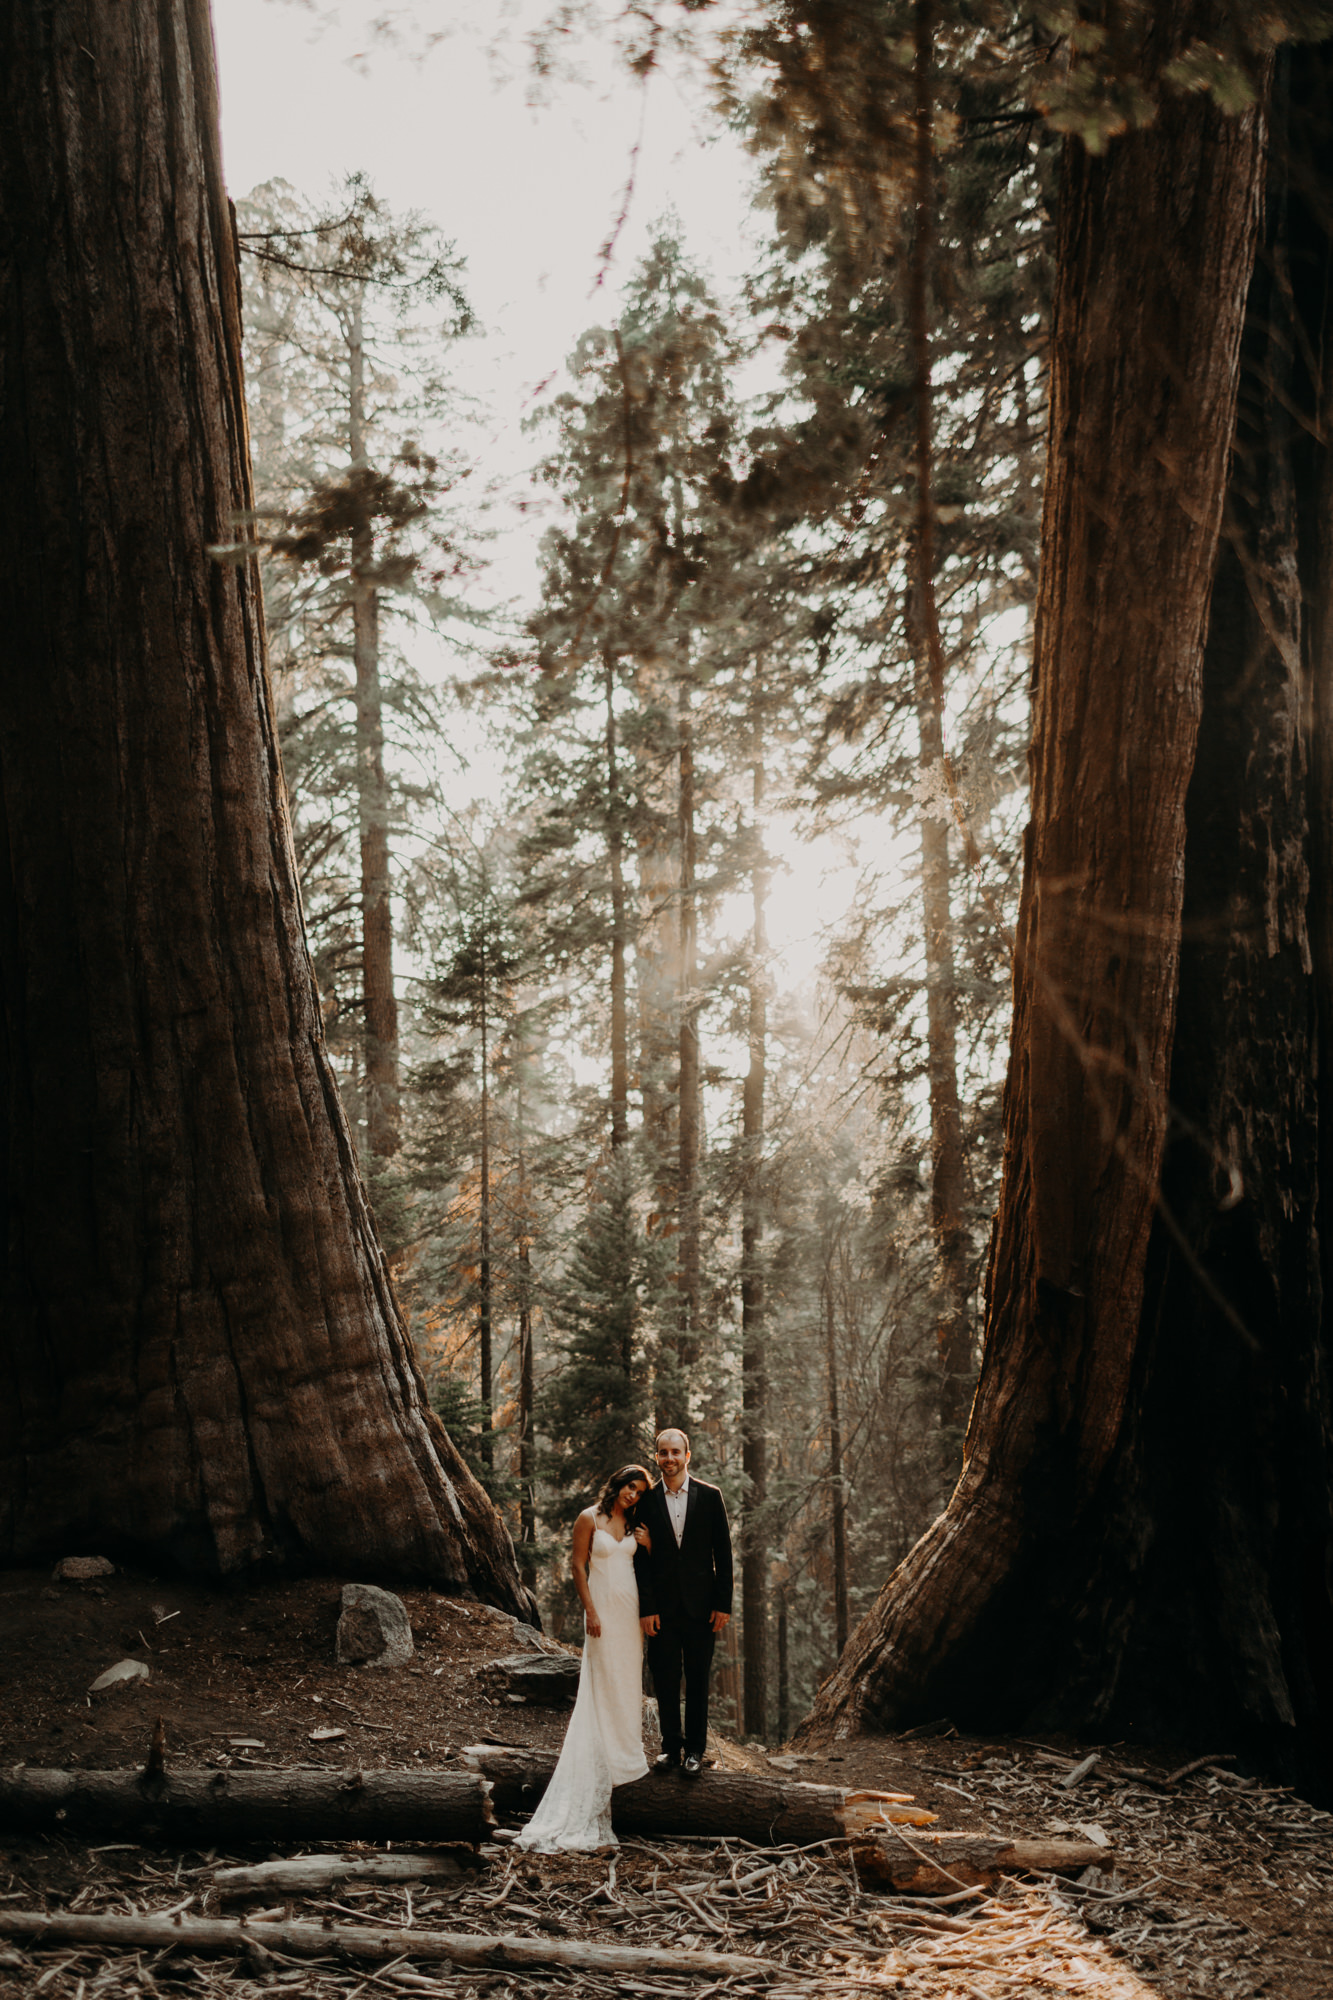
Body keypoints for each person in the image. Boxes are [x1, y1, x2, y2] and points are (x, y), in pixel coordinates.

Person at [515, 1463, 652, 1851]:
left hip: (630, 1610)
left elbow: (647, 1565)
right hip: (603, 1610)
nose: (633, 1494)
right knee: (602, 1677)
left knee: (626, 1677)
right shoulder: (588, 1517)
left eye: (640, 1491)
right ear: (618, 1483)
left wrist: (649, 1545)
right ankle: (600, 1751)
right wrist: (590, 1611)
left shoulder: (636, 1525)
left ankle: (626, 1753)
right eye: (630, 1486)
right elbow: (577, 1565)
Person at [633, 1428, 733, 1779]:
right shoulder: (645, 1501)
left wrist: (723, 1603)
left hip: (702, 1609)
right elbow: (641, 1560)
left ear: (687, 1456)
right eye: (663, 1453)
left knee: (697, 1679)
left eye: (676, 1452)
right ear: (656, 1457)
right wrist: (646, 1607)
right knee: (664, 1677)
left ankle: (695, 1751)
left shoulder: (709, 1496)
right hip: (660, 1609)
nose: (670, 1458)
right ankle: (670, 1749)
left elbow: (723, 1553)